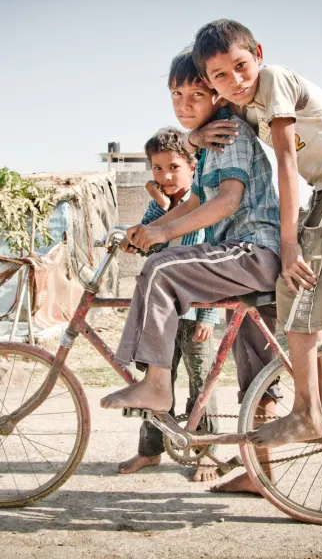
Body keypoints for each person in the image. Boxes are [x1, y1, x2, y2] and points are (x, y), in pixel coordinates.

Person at [189, 19, 322, 448]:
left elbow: (287, 166)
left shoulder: (273, 80)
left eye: (241, 66)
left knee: (293, 284)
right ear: (209, 80)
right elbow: (208, 120)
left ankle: (307, 413)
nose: (235, 81)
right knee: (302, 294)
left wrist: (290, 246)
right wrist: (194, 136)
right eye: (220, 75)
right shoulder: (243, 102)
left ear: (257, 53)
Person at [101, 48, 283, 493]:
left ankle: (157, 384)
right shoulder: (209, 142)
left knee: (161, 271)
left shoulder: (228, 134)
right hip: (247, 258)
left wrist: (162, 237)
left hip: (251, 251)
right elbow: (197, 202)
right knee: (254, 366)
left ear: (218, 95)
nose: (184, 104)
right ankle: (262, 475)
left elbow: (226, 202)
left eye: (196, 93)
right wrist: (147, 229)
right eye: (176, 94)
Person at [117, 126, 221, 483]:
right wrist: (156, 210)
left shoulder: (206, 203)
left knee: (201, 382)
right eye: (157, 169)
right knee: (156, 381)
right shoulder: (157, 204)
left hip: (196, 311)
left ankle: (206, 452)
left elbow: (212, 261)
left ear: (193, 166)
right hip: (163, 313)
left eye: (173, 167)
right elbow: (144, 240)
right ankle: (151, 451)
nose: (165, 176)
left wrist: (209, 313)